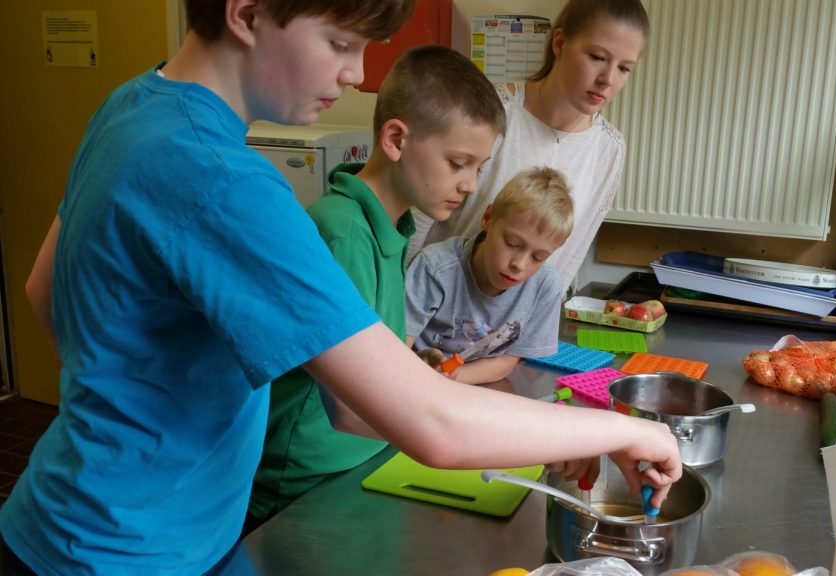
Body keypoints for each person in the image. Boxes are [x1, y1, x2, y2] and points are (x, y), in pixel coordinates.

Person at [2, 0, 681, 572]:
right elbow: (425, 421)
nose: (357, 71)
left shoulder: (132, 104)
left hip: (65, 511)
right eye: (340, 42)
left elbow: (44, 290)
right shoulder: (226, 183)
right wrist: (617, 431)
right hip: (130, 550)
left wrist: (134, 403)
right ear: (247, 12)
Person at [247, 44, 505, 531]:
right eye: (458, 162)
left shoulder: (394, 229)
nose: (471, 184)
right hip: (302, 484)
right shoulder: (343, 231)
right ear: (395, 139)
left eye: (478, 167)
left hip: (358, 460)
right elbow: (346, 406)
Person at [408, 0, 650, 292]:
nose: (607, 80)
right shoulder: (490, 112)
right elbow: (418, 219)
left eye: (624, 68)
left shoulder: (609, 149)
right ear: (559, 43)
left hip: (512, 328)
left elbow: (571, 253)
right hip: (429, 308)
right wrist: (397, 313)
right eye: (597, 57)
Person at [406, 167, 571, 385]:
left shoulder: (545, 286)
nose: (519, 265)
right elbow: (398, 346)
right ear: (487, 218)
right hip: (415, 374)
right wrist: (427, 376)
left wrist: (450, 378)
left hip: (464, 382)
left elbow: (507, 361)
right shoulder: (435, 268)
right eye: (512, 244)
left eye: (538, 257)